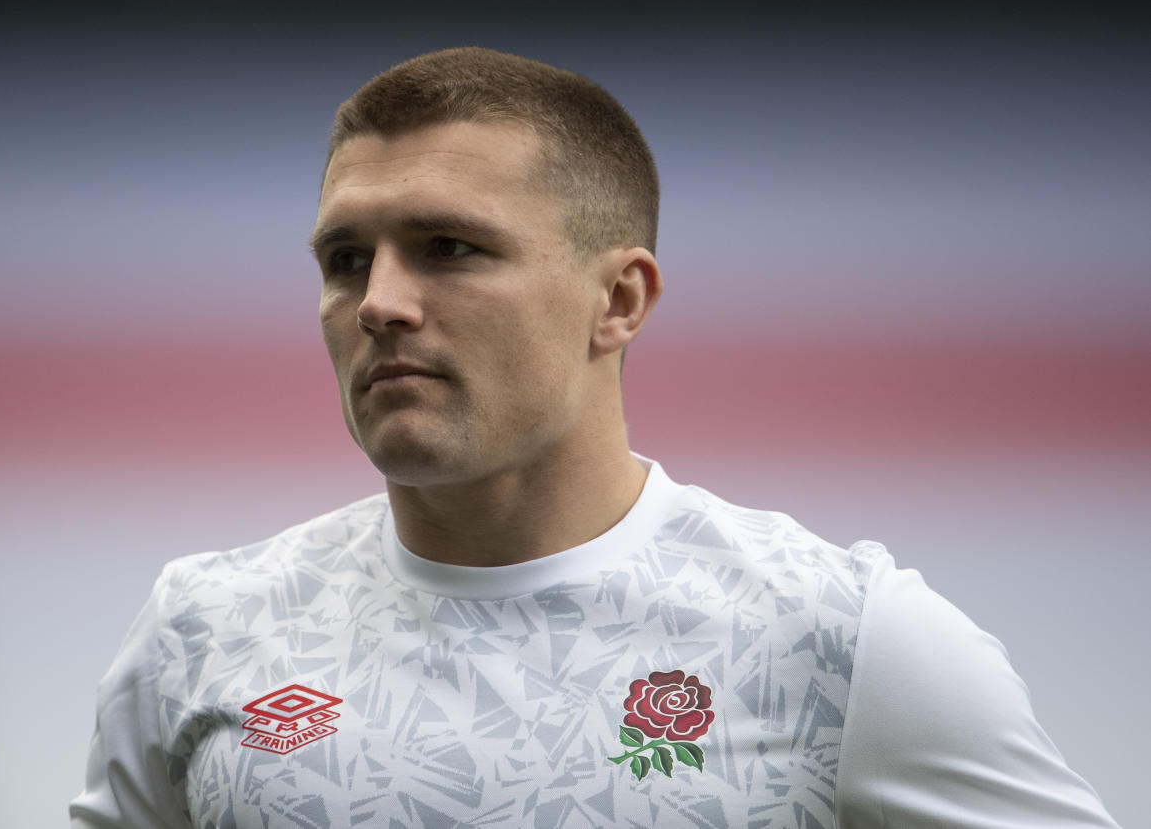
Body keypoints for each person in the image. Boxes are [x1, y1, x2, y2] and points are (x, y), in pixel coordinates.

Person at [70, 47, 1119, 828]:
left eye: (448, 247)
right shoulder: (200, 633)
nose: (381, 302)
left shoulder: (844, 641)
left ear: (618, 298)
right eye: (346, 260)